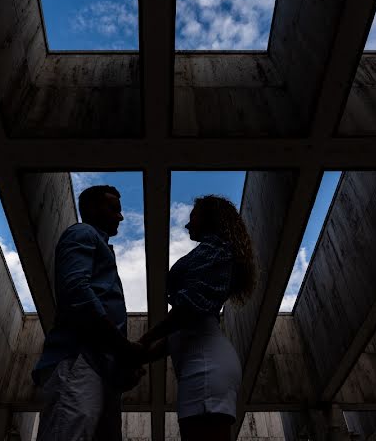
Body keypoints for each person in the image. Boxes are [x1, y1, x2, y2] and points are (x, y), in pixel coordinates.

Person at [138, 195, 257, 441]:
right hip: (201, 361)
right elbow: (184, 325)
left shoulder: (216, 251)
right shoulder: (213, 252)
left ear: (209, 218)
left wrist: (144, 341)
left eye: (192, 217)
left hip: (205, 366)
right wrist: (140, 355)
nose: (187, 224)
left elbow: (188, 309)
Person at [32, 185, 145, 441]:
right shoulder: (82, 233)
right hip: (78, 358)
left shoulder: (99, 244)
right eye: (113, 208)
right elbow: (76, 292)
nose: (121, 217)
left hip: (98, 367)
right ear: (92, 208)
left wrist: (120, 366)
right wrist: (121, 346)